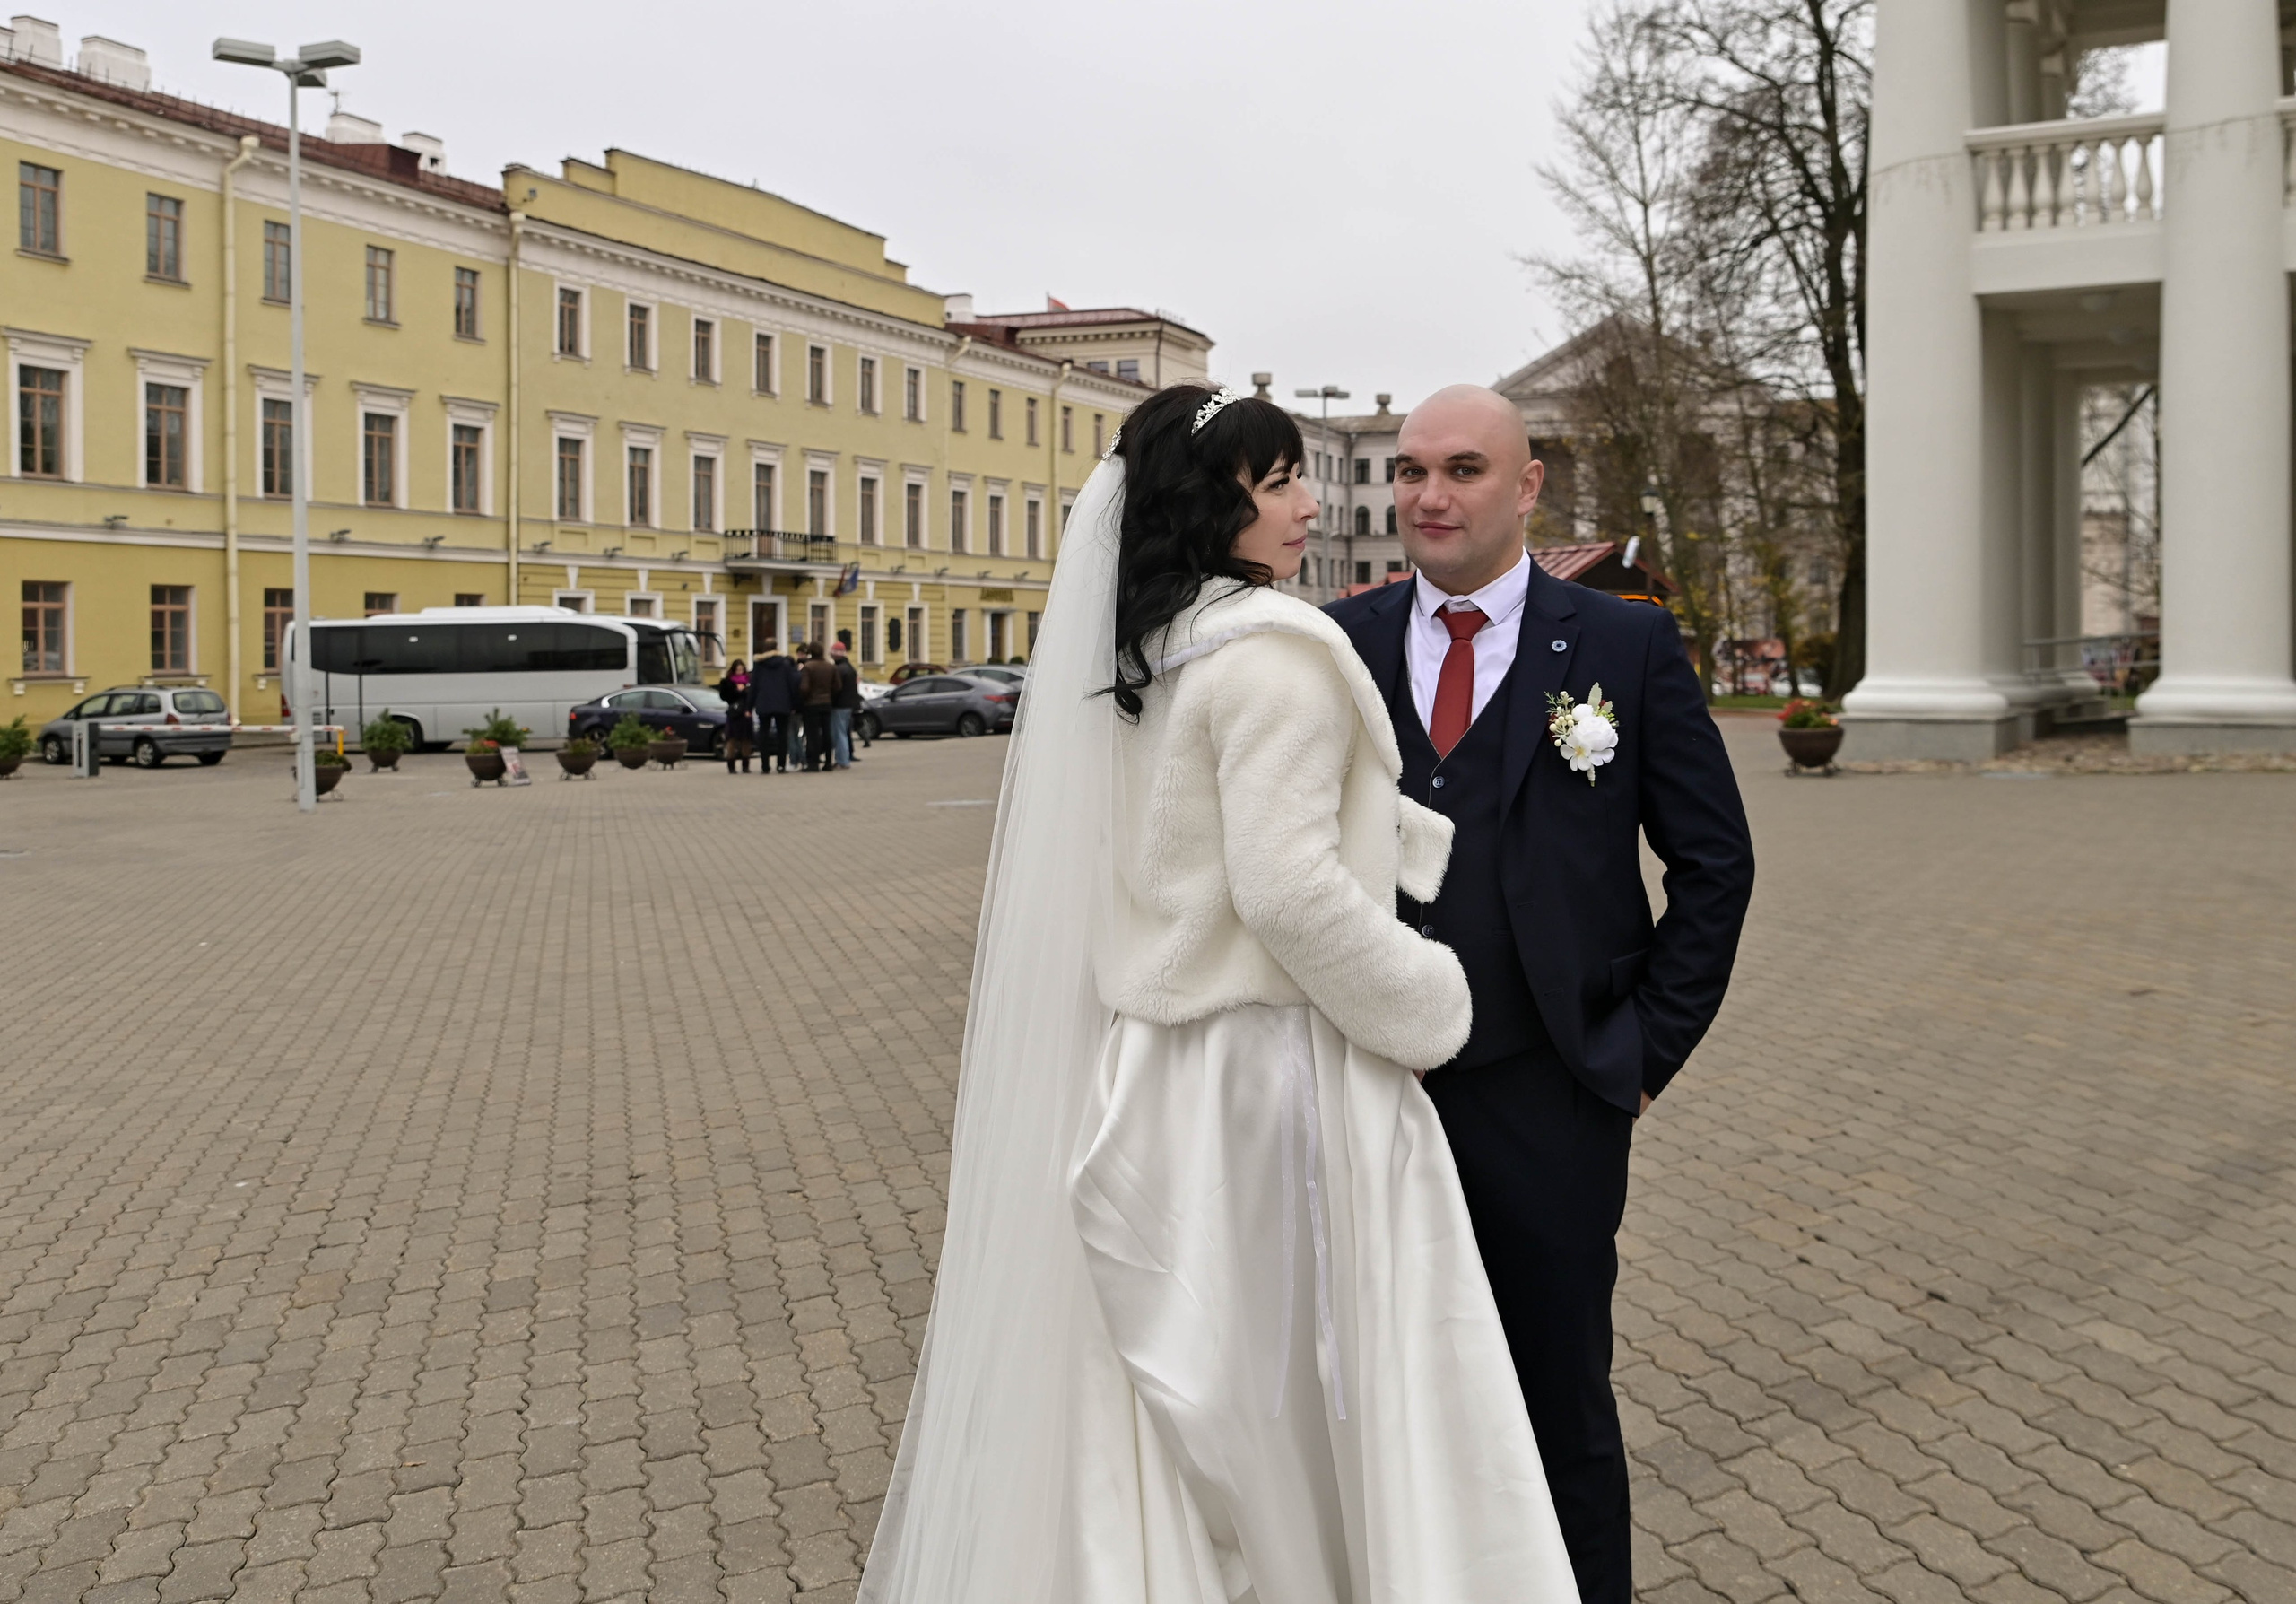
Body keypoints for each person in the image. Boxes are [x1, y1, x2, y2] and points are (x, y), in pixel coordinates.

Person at [859, 384, 1578, 1602]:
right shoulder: (1276, 659)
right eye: (1284, 481)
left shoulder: (1147, 658)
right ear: (1222, 501)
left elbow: (1172, 847)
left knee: (1159, 1389)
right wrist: (1430, 1002)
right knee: (1309, 1383)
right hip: (1270, 1072)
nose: (1312, 504)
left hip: (1153, 1066)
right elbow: (1286, 889)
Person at [1325, 384, 1756, 1604]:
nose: (1429, 494)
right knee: (1381, 1390)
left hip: (1552, 1097)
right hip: (1369, 1092)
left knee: (1553, 1395)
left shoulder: (1619, 644)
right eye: (1411, 471)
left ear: (1527, 488)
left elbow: (1716, 865)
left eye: (1463, 469)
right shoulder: (1342, 643)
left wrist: (1638, 1055)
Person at [751, 637, 798, 774]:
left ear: (764, 648)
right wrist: (794, 704)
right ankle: (781, 765)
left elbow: (754, 687)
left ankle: (765, 766)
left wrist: (749, 706)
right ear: (777, 648)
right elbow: (792, 685)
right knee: (782, 735)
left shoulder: (759, 665)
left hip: (764, 703)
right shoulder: (785, 664)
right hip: (783, 703)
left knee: (763, 734)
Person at [796, 641, 838, 772]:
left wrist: (804, 698)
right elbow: (838, 686)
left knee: (812, 734)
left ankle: (813, 763)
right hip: (826, 703)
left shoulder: (808, 667)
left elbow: (804, 687)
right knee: (827, 733)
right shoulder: (830, 667)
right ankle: (828, 762)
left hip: (811, 704)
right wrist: (829, 695)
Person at [829, 641, 862, 768]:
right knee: (842, 732)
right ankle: (843, 758)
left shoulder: (839, 670)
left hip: (839, 705)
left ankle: (843, 760)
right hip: (848, 704)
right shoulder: (849, 668)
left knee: (839, 733)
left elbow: (836, 688)